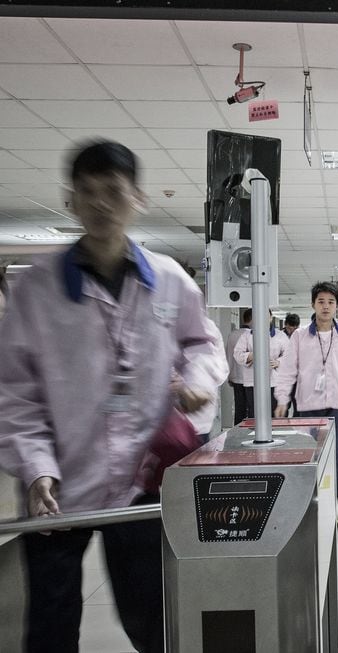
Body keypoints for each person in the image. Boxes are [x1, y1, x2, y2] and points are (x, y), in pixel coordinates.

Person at [0, 140, 225, 653]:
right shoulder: (37, 291)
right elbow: (15, 391)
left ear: (137, 198)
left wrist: (196, 381)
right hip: (58, 488)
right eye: (87, 193)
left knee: (152, 617)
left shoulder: (168, 279)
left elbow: (203, 342)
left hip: (141, 482)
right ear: (71, 201)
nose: (101, 204)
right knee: (51, 626)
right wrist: (36, 468)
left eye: (113, 192)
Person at [273, 281, 338, 498]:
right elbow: (288, 370)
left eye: (331, 302)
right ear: (313, 305)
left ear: (337, 306)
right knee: (308, 457)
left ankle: (333, 504)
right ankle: (310, 502)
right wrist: (282, 400)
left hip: (337, 406)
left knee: (337, 457)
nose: (326, 306)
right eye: (321, 302)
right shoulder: (300, 336)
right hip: (308, 407)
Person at [233, 309, 290, 418]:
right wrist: (252, 355)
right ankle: (255, 435)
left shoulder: (280, 335)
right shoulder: (246, 335)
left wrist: (279, 362)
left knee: (276, 414)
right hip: (253, 382)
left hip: (275, 382)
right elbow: (237, 354)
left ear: (270, 317)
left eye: (266, 316)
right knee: (255, 414)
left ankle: (278, 435)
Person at [226, 308, 251, 425]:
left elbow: (229, 356)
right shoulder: (252, 335)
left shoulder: (233, 335)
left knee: (239, 409)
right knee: (253, 409)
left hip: (236, 377)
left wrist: (229, 375)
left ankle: (237, 433)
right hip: (251, 379)